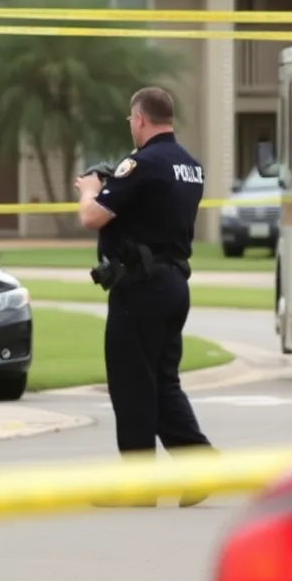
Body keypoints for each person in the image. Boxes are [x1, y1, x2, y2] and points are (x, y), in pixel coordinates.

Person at [74, 86, 215, 508]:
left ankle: (139, 485)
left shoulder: (141, 163)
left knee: (132, 385)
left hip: (141, 287)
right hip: (173, 283)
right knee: (162, 383)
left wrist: (90, 188)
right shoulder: (191, 166)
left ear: (139, 119)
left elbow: (92, 216)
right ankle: (200, 465)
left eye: (130, 121)